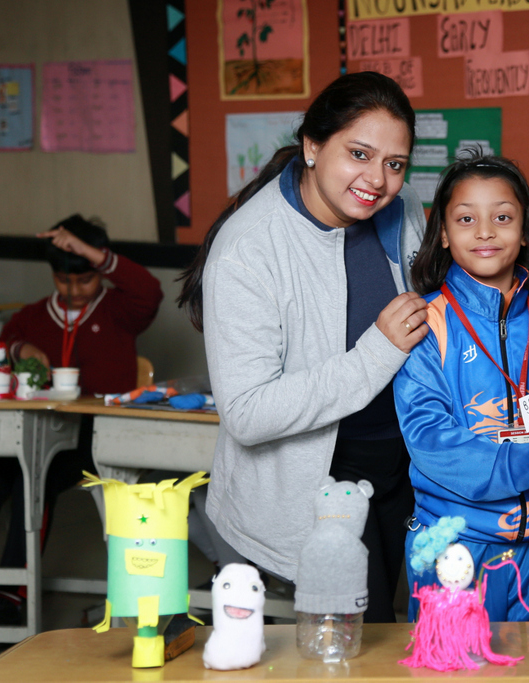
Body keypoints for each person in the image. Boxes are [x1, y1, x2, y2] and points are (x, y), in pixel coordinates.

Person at [177, 72, 428, 623]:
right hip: (315, 486)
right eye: (358, 153)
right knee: (348, 649)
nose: (378, 180)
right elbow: (247, 413)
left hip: (404, 468)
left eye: (395, 163)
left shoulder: (403, 209)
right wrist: (376, 351)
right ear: (313, 146)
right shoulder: (249, 248)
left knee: (410, 635)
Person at [394, 155, 529, 622]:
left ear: (524, 232)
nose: (485, 232)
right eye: (465, 219)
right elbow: (429, 441)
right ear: (442, 232)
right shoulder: (427, 324)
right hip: (454, 549)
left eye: (502, 217)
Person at [0, 215, 163, 624]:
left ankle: (12, 596)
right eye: (63, 281)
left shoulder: (122, 310)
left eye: (84, 280)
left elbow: (150, 290)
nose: (72, 290)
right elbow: (5, 341)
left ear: (99, 272)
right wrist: (20, 350)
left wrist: (92, 254)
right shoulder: (33, 317)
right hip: (39, 433)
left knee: (36, 478)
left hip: (99, 438)